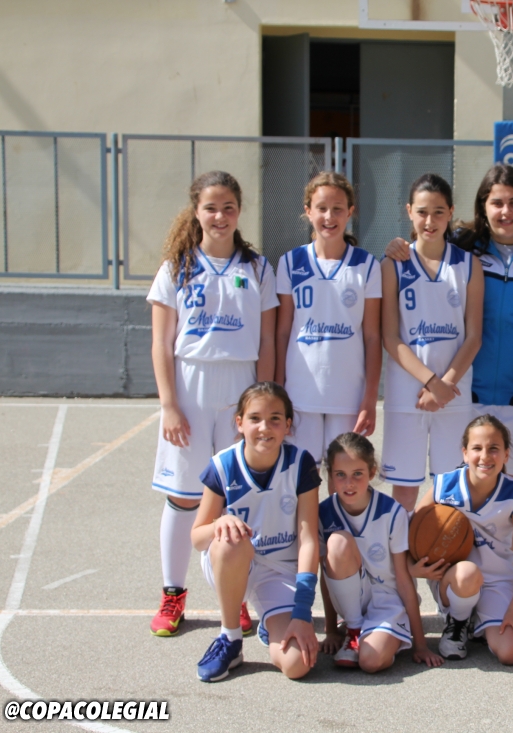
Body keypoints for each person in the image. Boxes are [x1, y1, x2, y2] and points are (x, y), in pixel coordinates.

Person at [147, 170, 278, 637]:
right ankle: (172, 594)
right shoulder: (176, 267)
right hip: (191, 387)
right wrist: (169, 404)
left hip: (242, 388)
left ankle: (233, 594)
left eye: (228, 208)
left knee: (236, 497)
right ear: (196, 211)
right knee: (184, 496)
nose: (220, 216)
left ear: (239, 211)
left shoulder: (258, 268)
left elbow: (267, 340)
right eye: (211, 208)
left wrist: (266, 400)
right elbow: (161, 344)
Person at [384, 165, 513, 484]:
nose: (505, 211)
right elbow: (427, 239)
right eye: (497, 203)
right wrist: (397, 245)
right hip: (468, 395)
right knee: (468, 486)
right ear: (483, 206)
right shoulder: (466, 246)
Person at [190, 382, 320, 682]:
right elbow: (197, 538)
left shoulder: (300, 464)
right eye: (255, 418)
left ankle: (270, 621)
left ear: (287, 425)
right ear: (239, 422)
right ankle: (230, 637)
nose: (265, 427)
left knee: (297, 665)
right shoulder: (223, 465)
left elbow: (308, 540)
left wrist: (302, 612)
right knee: (229, 541)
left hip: (278, 571)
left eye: (275, 419)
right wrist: (217, 524)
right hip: (232, 562)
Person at [381, 174, 483, 512]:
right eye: (422, 212)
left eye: (439, 212)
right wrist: (431, 382)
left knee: (451, 490)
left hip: (453, 394)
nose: (430, 221)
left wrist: (445, 385)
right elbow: (390, 338)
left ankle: (445, 548)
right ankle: (402, 548)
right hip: (407, 393)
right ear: (409, 211)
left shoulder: (468, 264)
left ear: (451, 212)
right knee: (405, 492)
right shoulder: (393, 265)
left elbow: (474, 336)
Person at [410, 415, 513, 664]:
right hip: (454, 579)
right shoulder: (445, 486)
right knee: (468, 573)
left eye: (493, 448)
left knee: (510, 653)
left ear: (506, 455)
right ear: (465, 453)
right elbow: (409, 533)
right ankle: (457, 623)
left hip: (496, 580)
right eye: (477, 448)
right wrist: (412, 569)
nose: (485, 456)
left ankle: (480, 620)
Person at [275, 172, 381, 463]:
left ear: (350, 212)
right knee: (301, 478)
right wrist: (278, 393)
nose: (329, 216)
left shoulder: (366, 265)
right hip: (299, 396)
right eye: (321, 208)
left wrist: (370, 398)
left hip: (348, 397)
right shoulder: (290, 262)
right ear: (308, 211)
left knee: (344, 480)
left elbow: (373, 337)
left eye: (337, 208)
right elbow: (282, 332)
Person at [317, 432, 444, 671]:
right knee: (338, 543)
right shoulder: (323, 513)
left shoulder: (392, 512)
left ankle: (381, 633)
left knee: (371, 662)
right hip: (350, 603)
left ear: (372, 472)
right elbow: (325, 576)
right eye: (340, 475)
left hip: (387, 600)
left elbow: (404, 580)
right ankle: (353, 629)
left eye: (357, 474)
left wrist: (421, 645)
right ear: (330, 475)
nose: (349, 483)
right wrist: (331, 630)